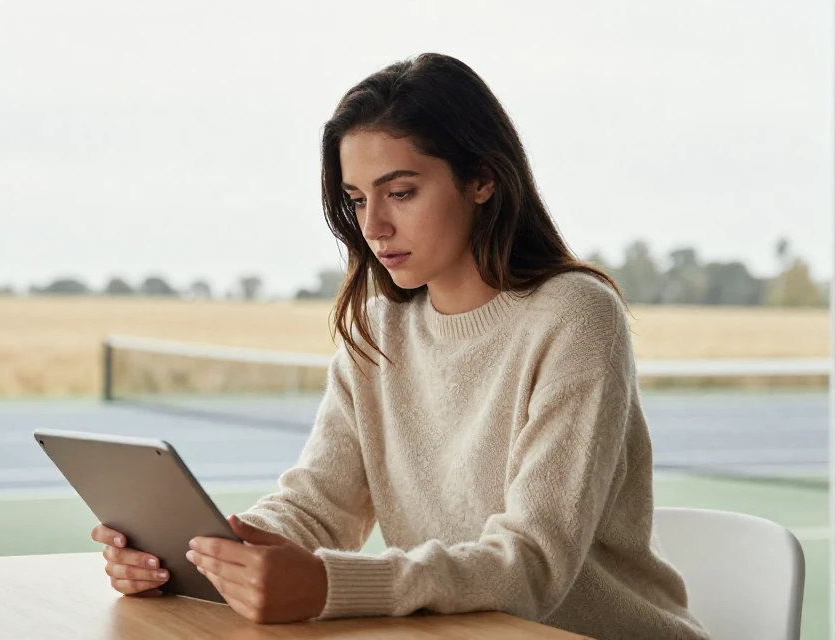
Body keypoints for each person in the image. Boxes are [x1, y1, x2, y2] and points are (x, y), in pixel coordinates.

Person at [90, 52, 709, 640]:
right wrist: (212, 554)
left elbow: (531, 565)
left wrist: (329, 584)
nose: (373, 227)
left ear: (482, 179)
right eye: (357, 200)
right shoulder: (380, 328)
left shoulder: (574, 316)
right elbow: (317, 507)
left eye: (401, 192)